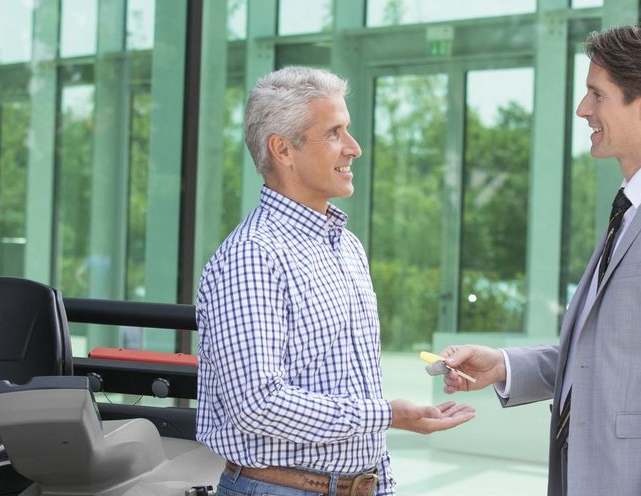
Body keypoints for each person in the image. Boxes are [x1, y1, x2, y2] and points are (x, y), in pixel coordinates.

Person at [441, 24, 641, 496]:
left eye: (597, 94)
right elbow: (611, 353)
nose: (582, 109)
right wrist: (504, 366)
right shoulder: (634, 207)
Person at [195, 66, 475, 496]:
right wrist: (386, 415)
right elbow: (257, 405)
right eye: (334, 133)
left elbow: (355, 383)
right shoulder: (254, 256)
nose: (354, 148)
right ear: (283, 150)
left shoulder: (347, 247)